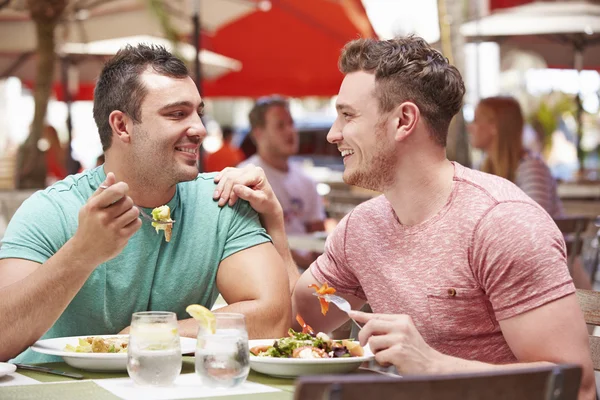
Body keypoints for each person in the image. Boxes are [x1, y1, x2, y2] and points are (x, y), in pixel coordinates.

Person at [213, 36, 595, 399]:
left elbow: (575, 387)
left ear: (403, 120)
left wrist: (431, 364)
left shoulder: (501, 223)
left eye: (347, 116)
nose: (333, 134)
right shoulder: (363, 228)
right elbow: (299, 320)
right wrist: (274, 221)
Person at [0, 44, 291, 364]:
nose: (199, 129)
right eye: (177, 114)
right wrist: (83, 252)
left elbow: (273, 317)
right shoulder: (51, 210)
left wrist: (148, 334)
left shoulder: (222, 201)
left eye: (198, 112)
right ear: (122, 126)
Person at [469, 96, 592, 290]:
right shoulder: (483, 167)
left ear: (494, 126)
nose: (470, 127)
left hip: (551, 274)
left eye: (476, 120)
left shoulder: (531, 167)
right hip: (510, 269)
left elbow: (533, 228)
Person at [237, 96, 326, 269]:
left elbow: (318, 233)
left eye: (291, 123)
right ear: (258, 133)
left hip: (309, 273)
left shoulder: (306, 179)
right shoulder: (245, 177)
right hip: (267, 272)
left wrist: (316, 269)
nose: (290, 131)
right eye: (280, 125)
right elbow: (254, 240)